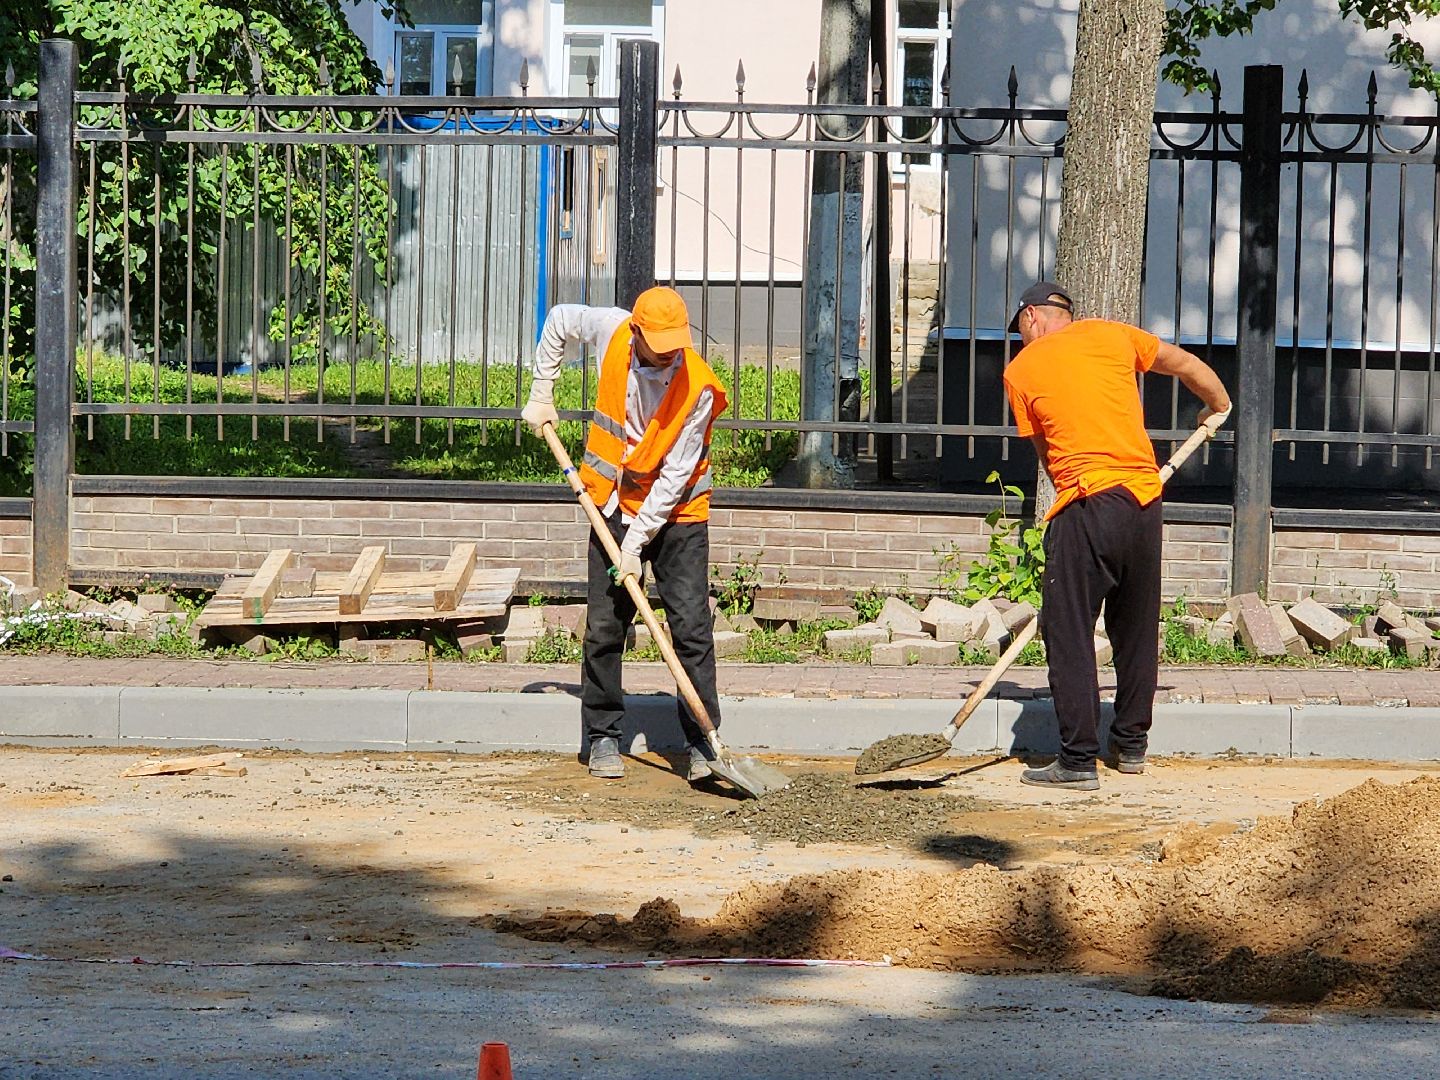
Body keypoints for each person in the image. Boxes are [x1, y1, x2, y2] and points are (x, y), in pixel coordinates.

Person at [1002, 280, 1231, 791]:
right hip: (1144, 501)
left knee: (1067, 630)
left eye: (1019, 329)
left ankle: (1077, 760)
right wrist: (1216, 405)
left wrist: (1073, 504)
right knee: (1135, 628)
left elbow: (1047, 456)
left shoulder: (1021, 369)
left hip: (1087, 503)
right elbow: (1188, 366)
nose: (1020, 339)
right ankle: (1130, 745)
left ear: (1032, 317)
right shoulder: (1114, 335)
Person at [520, 286, 728, 783]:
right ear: (637, 331)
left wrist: (633, 546)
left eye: (677, 342)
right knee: (605, 628)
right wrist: (542, 392)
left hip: (678, 514)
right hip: (612, 504)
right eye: (661, 343)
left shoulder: (699, 387)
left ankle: (703, 744)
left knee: (691, 629)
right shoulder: (614, 329)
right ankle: (602, 736)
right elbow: (559, 319)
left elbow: (675, 477)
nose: (671, 353)